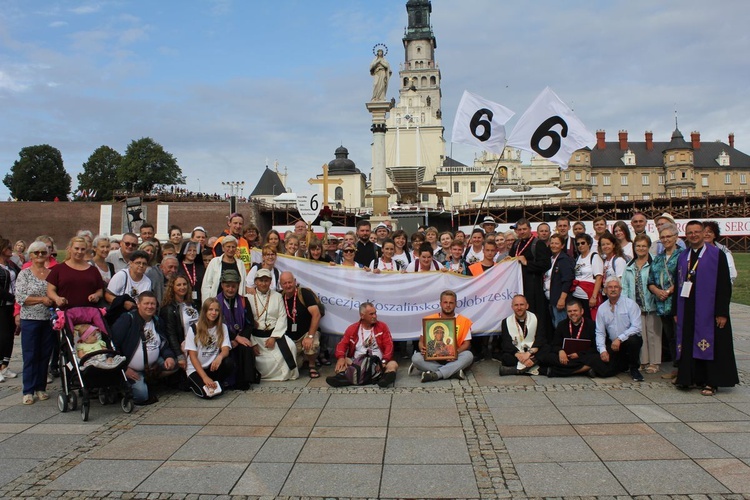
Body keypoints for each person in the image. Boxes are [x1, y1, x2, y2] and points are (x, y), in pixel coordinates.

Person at [673, 220, 738, 395]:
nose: (693, 235)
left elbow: (725, 285)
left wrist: (722, 312)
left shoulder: (717, 255)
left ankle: (711, 381)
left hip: (710, 310)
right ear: (685, 235)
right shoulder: (682, 256)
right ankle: (689, 378)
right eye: (690, 232)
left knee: (710, 343)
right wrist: (675, 311)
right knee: (688, 342)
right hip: (687, 307)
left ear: (703, 233)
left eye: (697, 232)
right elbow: (677, 285)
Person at [110, 291, 177, 405]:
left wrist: (169, 357)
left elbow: (163, 345)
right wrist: (124, 368)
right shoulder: (127, 319)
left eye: (153, 304)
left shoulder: (157, 321)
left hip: (153, 364)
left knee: (175, 364)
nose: (150, 306)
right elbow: (113, 345)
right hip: (130, 368)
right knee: (141, 396)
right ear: (138, 304)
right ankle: (123, 385)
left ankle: (149, 379)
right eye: (146, 303)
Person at [15, 240, 55, 402]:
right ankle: (28, 390)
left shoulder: (52, 274)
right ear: (30, 255)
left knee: (45, 355)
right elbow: (20, 297)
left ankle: (41, 387)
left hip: (48, 319)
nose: (40, 255)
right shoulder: (24, 274)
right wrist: (41, 300)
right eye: (36, 253)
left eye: (43, 253)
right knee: (30, 354)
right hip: (30, 319)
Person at [327, 302, 398, 387]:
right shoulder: (352, 329)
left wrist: (384, 361)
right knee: (343, 361)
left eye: (375, 313)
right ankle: (341, 377)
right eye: (371, 314)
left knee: (393, 364)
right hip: (357, 363)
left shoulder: (382, 326)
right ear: (362, 315)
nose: (374, 316)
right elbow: (342, 344)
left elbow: (389, 345)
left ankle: (384, 380)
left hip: (378, 362)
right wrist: (340, 357)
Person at [410, 290, 473, 382]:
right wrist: (422, 349)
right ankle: (453, 371)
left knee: (468, 355)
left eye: (451, 303)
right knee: (416, 358)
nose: (448, 305)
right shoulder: (429, 320)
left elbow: (467, 343)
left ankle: (436, 374)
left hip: (454, 358)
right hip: (433, 359)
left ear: (455, 304)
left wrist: (456, 352)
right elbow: (421, 341)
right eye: (445, 302)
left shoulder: (463, 321)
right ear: (440, 303)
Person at [590, 277, 644, 381]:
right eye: (610, 287)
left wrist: (620, 339)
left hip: (628, 341)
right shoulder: (602, 308)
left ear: (620, 289)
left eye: (616, 287)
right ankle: (621, 366)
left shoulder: (630, 304)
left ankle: (634, 369)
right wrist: (602, 350)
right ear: (605, 290)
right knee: (606, 370)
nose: (613, 289)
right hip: (613, 344)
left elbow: (636, 327)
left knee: (634, 340)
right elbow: (600, 332)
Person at [248, 269, 298, 381]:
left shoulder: (277, 296)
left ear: (270, 282)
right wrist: (252, 343)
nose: (263, 283)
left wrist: (274, 337)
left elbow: (282, 317)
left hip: (274, 335)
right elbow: (246, 323)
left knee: (291, 346)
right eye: (261, 280)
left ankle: (285, 374)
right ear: (256, 282)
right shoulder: (248, 298)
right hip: (256, 337)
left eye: (266, 280)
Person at [648, 223, 683, 381]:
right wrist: (657, 291)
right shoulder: (658, 258)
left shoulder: (683, 255)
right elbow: (650, 280)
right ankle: (676, 368)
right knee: (670, 337)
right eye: (662, 237)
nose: (666, 239)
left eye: (669, 236)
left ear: (676, 237)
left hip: (676, 303)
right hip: (662, 305)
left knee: (679, 337)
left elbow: (685, 278)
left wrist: (668, 291)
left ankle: (683, 369)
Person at [622, 234, 661, 374]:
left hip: (652, 304)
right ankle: (643, 361)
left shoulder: (655, 262)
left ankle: (654, 362)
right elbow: (625, 286)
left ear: (649, 247)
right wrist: (625, 304)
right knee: (641, 334)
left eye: (644, 246)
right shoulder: (629, 265)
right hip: (635, 305)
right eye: (638, 246)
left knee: (653, 333)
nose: (641, 248)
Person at [185, 298, 234, 398]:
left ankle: (217, 382)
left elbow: (225, 349)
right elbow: (193, 356)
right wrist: (204, 377)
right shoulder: (194, 328)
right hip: (196, 368)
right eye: (210, 309)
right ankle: (192, 383)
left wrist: (219, 357)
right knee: (207, 394)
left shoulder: (222, 327)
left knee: (229, 362)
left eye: (216, 310)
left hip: (211, 366)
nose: (213, 313)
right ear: (205, 311)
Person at [279, 272, 322, 378]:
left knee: (311, 344)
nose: (288, 285)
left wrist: (310, 336)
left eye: (290, 282)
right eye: (285, 283)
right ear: (280, 285)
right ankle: (304, 358)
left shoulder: (304, 293)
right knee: (295, 366)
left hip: (306, 333)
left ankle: (312, 365)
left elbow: (316, 315)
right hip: (291, 338)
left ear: (295, 281)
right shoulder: (280, 296)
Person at [509, 218, 552, 324]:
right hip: (518, 285)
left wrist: (527, 263)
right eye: (519, 230)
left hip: (533, 286)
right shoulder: (516, 244)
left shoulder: (538, 244)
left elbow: (546, 265)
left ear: (530, 229)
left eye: (524, 229)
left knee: (534, 314)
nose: (522, 232)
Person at [542, 299, 597, 378]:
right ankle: (584, 369)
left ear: (582, 311)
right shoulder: (562, 325)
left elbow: (595, 347)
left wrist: (578, 354)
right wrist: (560, 351)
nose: (572, 313)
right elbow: (555, 344)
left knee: (596, 358)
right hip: (565, 357)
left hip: (583, 356)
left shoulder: (591, 325)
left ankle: (557, 371)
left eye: (575, 310)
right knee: (547, 356)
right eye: (570, 311)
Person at [498, 295, 547, 375]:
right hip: (518, 353)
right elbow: (506, 343)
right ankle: (534, 367)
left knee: (546, 349)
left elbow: (540, 338)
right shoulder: (506, 322)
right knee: (506, 357)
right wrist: (518, 355)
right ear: (512, 307)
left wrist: (528, 354)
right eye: (516, 305)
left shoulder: (536, 318)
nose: (519, 308)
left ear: (527, 306)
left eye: (522, 304)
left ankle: (516, 370)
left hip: (533, 351)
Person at [159, 275, 199, 372]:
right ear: (172, 288)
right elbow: (171, 334)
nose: (182, 287)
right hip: (183, 347)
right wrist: (179, 355)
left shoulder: (193, 303)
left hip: (198, 343)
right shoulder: (169, 309)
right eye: (178, 285)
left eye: (184, 284)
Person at [202, 235, 247, 303]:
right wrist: (207, 304)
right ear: (223, 248)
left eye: (233, 247)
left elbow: (243, 285)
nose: (231, 249)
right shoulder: (214, 262)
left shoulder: (240, 264)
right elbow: (206, 285)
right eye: (228, 247)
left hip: (236, 302)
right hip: (216, 302)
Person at [545, 234, 575, 331]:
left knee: (561, 327)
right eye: (552, 243)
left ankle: (565, 345)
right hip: (551, 299)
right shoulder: (551, 258)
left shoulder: (564, 259)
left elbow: (567, 280)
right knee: (555, 325)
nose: (553, 245)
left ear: (562, 246)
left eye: (556, 243)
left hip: (560, 300)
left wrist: (562, 299)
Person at [571, 233, 603, 320]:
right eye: (578, 244)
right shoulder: (578, 258)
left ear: (589, 244)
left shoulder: (594, 257)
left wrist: (594, 297)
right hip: (577, 296)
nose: (580, 245)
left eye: (583, 243)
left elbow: (599, 277)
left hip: (588, 296)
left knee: (591, 320)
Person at [0, 238, 19, 380]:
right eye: (8, 247)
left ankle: (4, 366)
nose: (11, 249)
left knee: (10, 336)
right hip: (2, 304)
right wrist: (13, 297)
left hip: (11, 306)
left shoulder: (11, 264)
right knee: (3, 336)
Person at [178, 241, 204, 306]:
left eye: (194, 250)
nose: (192, 253)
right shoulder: (178, 267)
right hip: (183, 301)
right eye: (189, 250)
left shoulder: (201, 267)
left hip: (199, 302)